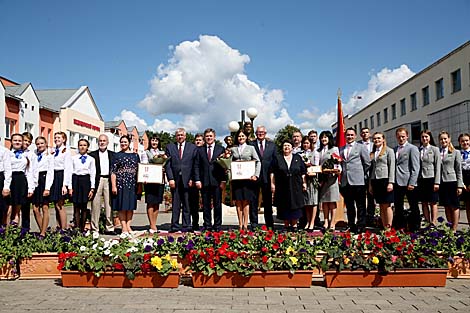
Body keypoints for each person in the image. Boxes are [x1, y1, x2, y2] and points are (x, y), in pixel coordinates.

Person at [165, 128, 197, 232]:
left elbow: (194, 164)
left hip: (188, 179)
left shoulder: (192, 147)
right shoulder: (170, 147)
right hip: (175, 180)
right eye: (178, 135)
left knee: (187, 203)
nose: (180, 137)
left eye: (182, 135)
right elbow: (168, 165)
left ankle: (186, 225)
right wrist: (170, 178)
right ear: (176, 136)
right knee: (176, 204)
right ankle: (174, 225)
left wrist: (192, 178)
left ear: (185, 136)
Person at [271, 139, 306, 232]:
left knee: (295, 205)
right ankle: (286, 225)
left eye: (288, 145)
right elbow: (272, 172)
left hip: (296, 186)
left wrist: (304, 183)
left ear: (292, 148)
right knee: (284, 206)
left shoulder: (297, 157)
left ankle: (294, 225)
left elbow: (303, 172)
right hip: (282, 186)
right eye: (284, 146)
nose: (286, 147)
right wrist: (272, 184)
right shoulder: (277, 158)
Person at [339, 128, 371, 233]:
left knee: (360, 205)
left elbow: (367, 163)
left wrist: (360, 173)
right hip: (346, 181)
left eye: (352, 135)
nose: (350, 137)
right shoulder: (341, 149)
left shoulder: (361, 147)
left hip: (358, 181)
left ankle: (361, 225)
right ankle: (351, 225)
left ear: (355, 136)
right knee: (349, 206)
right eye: (348, 135)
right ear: (345, 136)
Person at [194, 128, 226, 231]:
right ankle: (207, 225)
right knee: (206, 205)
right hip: (204, 181)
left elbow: (224, 166)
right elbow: (196, 166)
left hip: (216, 181)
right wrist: (197, 180)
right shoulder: (199, 150)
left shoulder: (220, 149)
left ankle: (217, 226)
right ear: (204, 138)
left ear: (214, 137)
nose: (209, 138)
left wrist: (223, 180)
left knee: (217, 205)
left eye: (210, 136)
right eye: (207, 136)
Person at [229, 129, 260, 231]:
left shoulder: (251, 148)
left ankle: (246, 224)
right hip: (237, 179)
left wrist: (256, 175)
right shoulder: (233, 149)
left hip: (248, 180)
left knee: (246, 202)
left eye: (242, 136)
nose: (241, 138)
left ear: (246, 137)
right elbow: (229, 163)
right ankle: (240, 224)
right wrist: (230, 174)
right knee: (238, 202)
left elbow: (258, 161)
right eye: (239, 136)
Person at [111, 135, 140, 237]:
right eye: (122, 142)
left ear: (129, 143)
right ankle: (123, 227)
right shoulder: (116, 155)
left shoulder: (135, 156)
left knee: (130, 206)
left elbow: (139, 171)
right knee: (122, 206)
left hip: (132, 184)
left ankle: (128, 226)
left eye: (125, 142)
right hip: (120, 183)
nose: (123, 144)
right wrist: (113, 186)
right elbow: (113, 172)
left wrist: (140, 184)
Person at [249, 125, 276, 229]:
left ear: (265, 133)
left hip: (267, 178)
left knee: (268, 203)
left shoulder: (272, 145)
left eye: (262, 132)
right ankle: (254, 225)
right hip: (254, 177)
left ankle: (269, 225)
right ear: (256, 133)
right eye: (258, 132)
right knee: (253, 202)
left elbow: (274, 162)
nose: (260, 134)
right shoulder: (251, 144)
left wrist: (273, 180)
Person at [394, 128, 420, 231]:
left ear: (407, 136)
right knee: (398, 206)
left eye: (403, 136)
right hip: (397, 182)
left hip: (409, 182)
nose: (401, 138)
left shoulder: (412, 148)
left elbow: (416, 167)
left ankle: (415, 226)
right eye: (399, 136)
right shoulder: (394, 149)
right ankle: (401, 226)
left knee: (413, 206)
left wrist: (412, 182)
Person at [6, 133, 36, 225]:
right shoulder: (7, 153)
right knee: (8, 210)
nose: (17, 142)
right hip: (10, 180)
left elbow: (29, 172)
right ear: (11, 141)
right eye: (15, 140)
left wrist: (31, 188)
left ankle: (14, 235)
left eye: (19, 140)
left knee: (17, 211)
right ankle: (5, 235)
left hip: (21, 181)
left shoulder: (26, 155)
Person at [90, 134, 115, 234]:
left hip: (108, 180)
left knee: (109, 204)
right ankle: (95, 228)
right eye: (100, 141)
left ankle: (109, 228)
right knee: (95, 204)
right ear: (98, 142)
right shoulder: (92, 155)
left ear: (107, 142)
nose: (102, 142)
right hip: (97, 180)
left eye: (104, 141)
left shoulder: (113, 155)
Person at [438, 131, 464, 232]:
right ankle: (449, 226)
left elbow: (459, 170)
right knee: (447, 206)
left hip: (452, 182)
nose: (443, 141)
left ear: (449, 139)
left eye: (445, 138)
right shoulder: (438, 151)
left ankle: (454, 228)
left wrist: (459, 185)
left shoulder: (455, 152)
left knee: (454, 206)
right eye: (441, 139)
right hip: (442, 182)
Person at [140, 135, 166, 234]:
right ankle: (151, 225)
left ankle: (155, 223)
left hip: (159, 180)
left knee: (157, 203)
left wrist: (163, 168)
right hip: (150, 180)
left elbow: (165, 164)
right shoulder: (145, 152)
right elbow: (144, 165)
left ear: (158, 142)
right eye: (152, 140)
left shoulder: (162, 153)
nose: (154, 142)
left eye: (156, 141)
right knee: (150, 202)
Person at [369, 132, 395, 229]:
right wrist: (370, 184)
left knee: (387, 205)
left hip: (385, 180)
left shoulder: (389, 151)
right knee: (380, 205)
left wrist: (391, 182)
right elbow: (372, 169)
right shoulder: (373, 152)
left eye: (379, 138)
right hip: (376, 181)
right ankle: (384, 226)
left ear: (383, 139)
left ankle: (389, 227)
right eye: (375, 139)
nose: (377, 140)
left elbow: (392, 167)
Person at [69, 139, 95, 232]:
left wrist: (92, 188)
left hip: (85, 181)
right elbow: (70, 172)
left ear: (87, 147)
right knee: (76, 206)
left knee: (84, 206)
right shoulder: (73, 158)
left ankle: (82, 228)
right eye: (80, 145)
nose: (82, 147)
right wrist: (70, 187)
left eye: (84, 145)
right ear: (78, 146)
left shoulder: (91, 159)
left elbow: (93, 174)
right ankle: (76, 228)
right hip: (76, 180)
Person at [318, 131, 341, 231]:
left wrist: (337, 170)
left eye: (326, 137)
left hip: (332, 178)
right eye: (322, 138)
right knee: (324, 201)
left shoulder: (334, 149)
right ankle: (326, 221)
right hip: (322, 179)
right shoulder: (318, 151)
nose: (324, 139)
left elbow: (337, 162)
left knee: (332, 201)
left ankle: (333, 222)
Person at [32, 136, 54, 236]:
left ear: (46, 144)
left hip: (45, 180)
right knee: (35, 208)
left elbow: (50, 172)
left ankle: (43, 233)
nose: (40, 145)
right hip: (36, 180)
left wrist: (47, 188)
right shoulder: (34, 154)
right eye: (38, 144)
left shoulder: (49, 155)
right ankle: (43, 229)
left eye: (42, 143)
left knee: (45, 207)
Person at [418, 130, 441, 226]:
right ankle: (427, 222)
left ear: (430, 137)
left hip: (431, 178)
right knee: (424, 202)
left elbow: (438, 167)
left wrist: (437, 182)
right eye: (423, 137)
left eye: (426, 136)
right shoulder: (418, 150)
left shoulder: (435, 149)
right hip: (421, 179)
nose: (424, 138)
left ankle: (433, 222)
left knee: (433, 202)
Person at [50, 132, 72, 229]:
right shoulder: (54, 151)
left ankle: (64, 229)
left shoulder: (66, 151)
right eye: (55, 137)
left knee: (60, 205)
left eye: (59, 137)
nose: (56, 139)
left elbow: (68, 169)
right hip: (54, 176)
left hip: (61, 176)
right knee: (55, 205)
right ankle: (58, 226)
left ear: (64, 139)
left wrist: (65, 185)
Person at [299, 136, 320, 231]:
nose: (305, 145)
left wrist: (310, 165)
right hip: (304, 179)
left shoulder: (315, 153)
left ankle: (312, 222)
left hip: (312, 179)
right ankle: (307, 221)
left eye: (307, 143)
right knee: (306, 202)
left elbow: (317, 166)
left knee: (313, 201)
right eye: (304, 143)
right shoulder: (301, 154)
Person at [358, 127, 375, 226]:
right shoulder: (358, 145)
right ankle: (362, 219)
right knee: (361, 199)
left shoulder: (374, 145)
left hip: (372, 175)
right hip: (361, 175)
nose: (365, 134)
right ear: (360, 135)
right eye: (363, 133)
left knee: (371, 198)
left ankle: (371, 218)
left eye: (367, 132)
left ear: (370, 134)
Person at [189, 133, 204, 231]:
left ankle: (207, 224)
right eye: (196, 140)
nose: (198, 141)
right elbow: (189, 166)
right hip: (194, 181)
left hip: (205, 180)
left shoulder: (205, 151)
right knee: (194, 204)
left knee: (206, 204)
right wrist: (191, 178)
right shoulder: (192, 151)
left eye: (200, 140)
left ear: (203, 141)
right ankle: (195, 224)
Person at [21, 132, 34, 230]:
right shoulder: (12, 151)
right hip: (13, 181)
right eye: (25, 140)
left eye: (29, 141)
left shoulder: (30, 154)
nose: (27, 143)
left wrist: (30, 188)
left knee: (25, 208)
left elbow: (30, 172)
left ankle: (25, 230)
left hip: (25, 181)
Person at [458, 133, 470, 227]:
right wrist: (462, 183)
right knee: (468, 205)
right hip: (463, 179)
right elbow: (458, 169)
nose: (465, 142)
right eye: (462, 141)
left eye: (466, 140)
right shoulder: (458, 154)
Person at [0, 138, 12, 225]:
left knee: (2, 208)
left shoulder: (4, 151)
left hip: (0, 178)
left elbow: (8, 169)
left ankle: (2, 233)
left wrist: (6, 186)